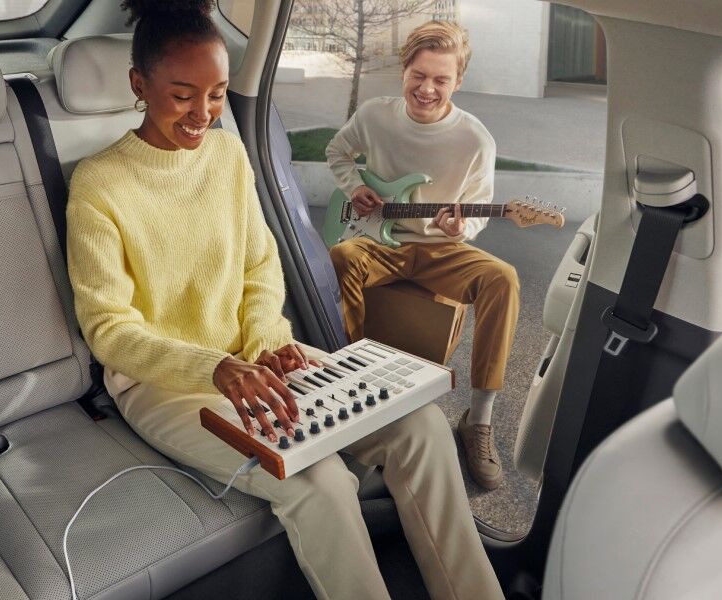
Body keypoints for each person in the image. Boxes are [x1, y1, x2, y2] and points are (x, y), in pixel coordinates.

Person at [66, 2, 504, 598]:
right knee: (319, 480)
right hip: (166, 384)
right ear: (139, 85)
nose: (203, 115)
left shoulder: (225, 154)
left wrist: (267, 340)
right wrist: (216, 367)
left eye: (218, 95)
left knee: (422, 425)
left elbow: (258, 265)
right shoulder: (99, 183)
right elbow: (108, 328)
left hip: (257, 359)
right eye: (183, 95)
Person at [326, 21, 519, 491]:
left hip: (441, 249)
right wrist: (357, 188)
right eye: (419, 75)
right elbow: (338, 151)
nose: (427, 89)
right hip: (378, 240)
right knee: (342, 257)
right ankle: (351, 378)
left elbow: (478, 211)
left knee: (503, 278)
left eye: (441, 79)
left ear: (457, 82)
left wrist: (462, 226)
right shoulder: (374, 116)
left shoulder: (476, 140)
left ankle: (479, 419)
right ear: (403, 72)